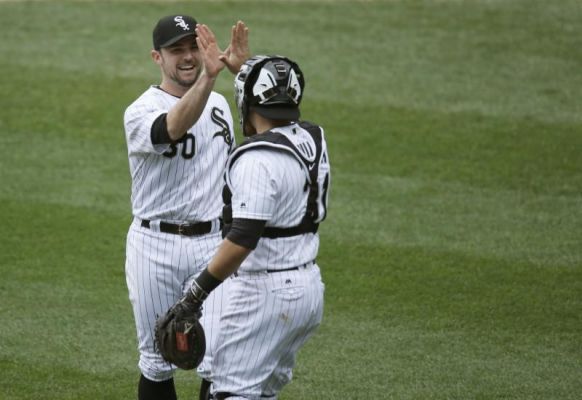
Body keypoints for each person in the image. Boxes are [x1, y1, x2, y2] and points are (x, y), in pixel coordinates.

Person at [165, 55, 331, 399]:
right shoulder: (313, 138)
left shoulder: (255, 160)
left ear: (247, 102)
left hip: (266, 295)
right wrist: (245, 68)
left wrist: (195, 295)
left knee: (230, 393)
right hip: (308, 289)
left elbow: (242, 239)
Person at [123, 14, 249, 400]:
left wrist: (244, 74)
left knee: (219, 361)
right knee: (158, 360)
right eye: (176, 50)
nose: (188, 56)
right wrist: (210, 78)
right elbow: (171, 129)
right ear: (156, 58)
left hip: (212, 244)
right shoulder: (140, 110)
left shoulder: (220, 105)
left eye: (193, 46)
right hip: (154, 247)